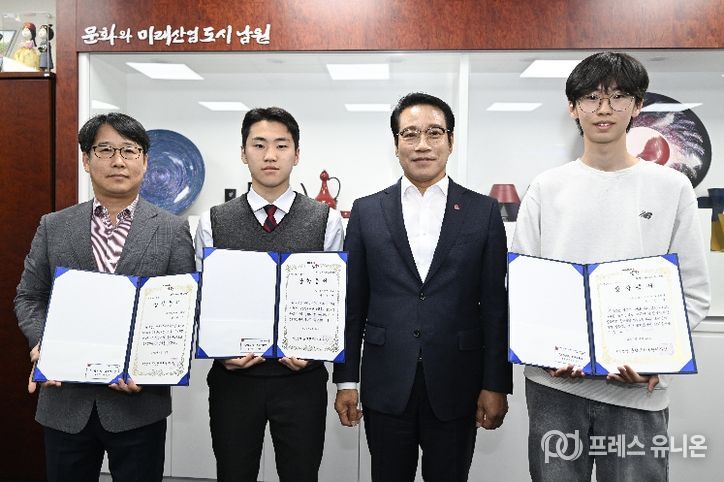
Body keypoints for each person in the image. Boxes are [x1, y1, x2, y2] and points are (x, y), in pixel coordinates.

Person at [511, 52, 710, 481]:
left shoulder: (672, 188)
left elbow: (693, 293)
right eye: (591, 97)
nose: (604, 109)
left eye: (619, 97)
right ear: (573, 108)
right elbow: (523, 288)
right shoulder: (546, 188)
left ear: (638, 106)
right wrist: (546, 351)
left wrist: (656, 359)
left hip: (639, 391)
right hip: (555, 388)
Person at [333, 92, 512, 481]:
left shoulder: (482, 211)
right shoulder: (366, 211)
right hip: (386, 382)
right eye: (410, 134)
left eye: (434, 133)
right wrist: (347, 379)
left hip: (457, 382)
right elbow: (352, 303)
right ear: (396, 143)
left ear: (451, 140)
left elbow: (495, 307)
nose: (422, 145)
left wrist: (495, 384)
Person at [15, 112, 196, 481]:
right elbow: (29, 297)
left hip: (138, 404)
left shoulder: (172, 229)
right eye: (106, 150)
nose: (118, 161)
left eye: (129, 150)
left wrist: (151, 368)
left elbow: (184, 309)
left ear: (145, 162)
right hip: (65, 402)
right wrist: (40, 344)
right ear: (86, 159)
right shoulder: (54, 225)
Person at [194, 107, 344, 482]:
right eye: (259, 145)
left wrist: (314, 351)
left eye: (281, 145)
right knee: (234, 473)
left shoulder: (326, 220)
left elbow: (337, 299)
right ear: (243, 153)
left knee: (301, 475)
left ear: (297, 154)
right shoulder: (213, 220)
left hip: (302, 381)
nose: (270, 155)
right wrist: (221, 351)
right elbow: (201, 298)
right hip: (233, 380)